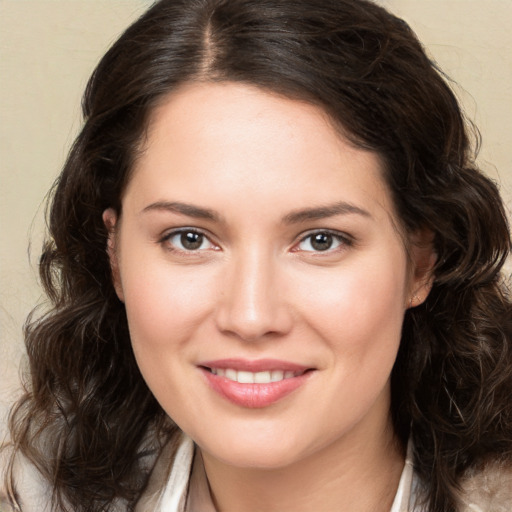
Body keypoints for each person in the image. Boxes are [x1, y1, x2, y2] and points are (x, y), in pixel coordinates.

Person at [2, 0, 512, 510]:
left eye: (321, 240)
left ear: (421, 262)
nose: (250, 317)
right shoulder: (28, 492)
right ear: (114, 257)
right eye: (190, 238)